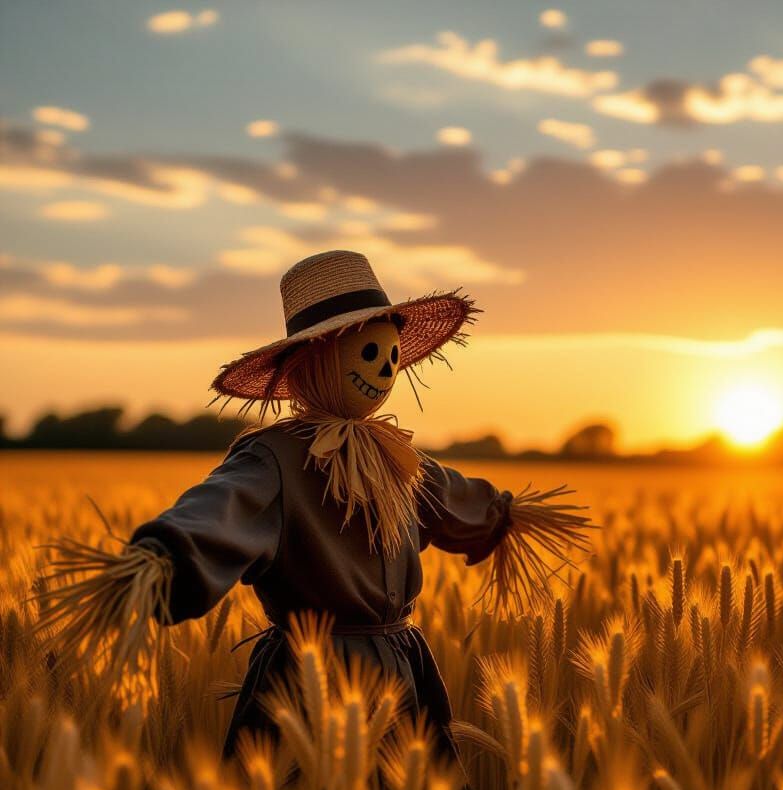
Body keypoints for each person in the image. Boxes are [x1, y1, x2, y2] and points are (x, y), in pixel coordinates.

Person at [41, 250, 589, 763]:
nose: (382, 369)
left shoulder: (396, 457)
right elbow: (218, 511)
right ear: (315, 362)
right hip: (311, 678)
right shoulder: (274, 459)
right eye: (369, 353)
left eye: (391, 356)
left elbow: (448, 496)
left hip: (402, 670)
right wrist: (162, 559)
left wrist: (503, 514)